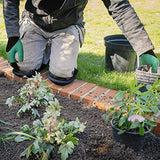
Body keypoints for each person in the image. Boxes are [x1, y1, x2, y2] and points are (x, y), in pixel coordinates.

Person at [3, 0, 159, 85]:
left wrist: (144, 49)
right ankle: (45, 48)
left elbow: (120, 7)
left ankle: (54, 49)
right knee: (23, 68)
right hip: (34, 22)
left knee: (61, 76)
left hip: (67, 25)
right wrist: (13, 36)